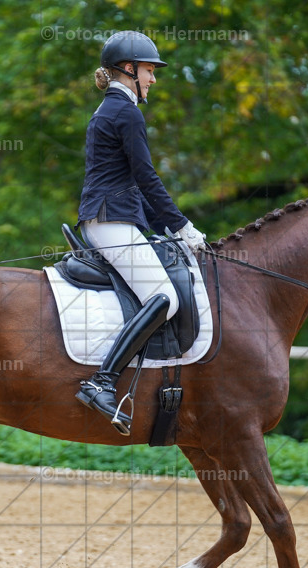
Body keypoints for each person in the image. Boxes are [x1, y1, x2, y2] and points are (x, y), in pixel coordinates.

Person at [74, 30, 208, 434]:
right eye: (150, 70)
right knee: (164, 298)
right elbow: (147, 178)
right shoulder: (125, 112)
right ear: (129, 70)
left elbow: (133, 184)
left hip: (112, 216)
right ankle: (102, 381)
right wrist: (183, 226)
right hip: (110, 221)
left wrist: (168, 227)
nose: (153, 79)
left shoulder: (112, 109)